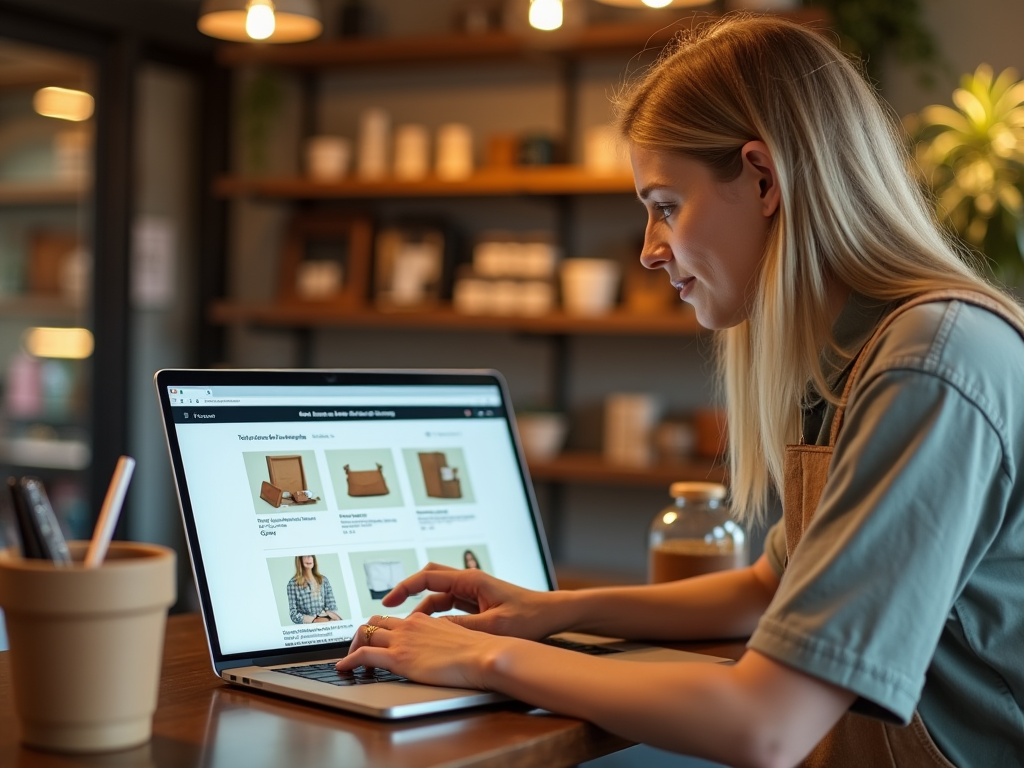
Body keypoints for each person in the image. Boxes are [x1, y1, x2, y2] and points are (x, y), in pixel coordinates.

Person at [337, 16, 1024, 767]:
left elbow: (768, 725)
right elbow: (770, 586)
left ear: (764, 179)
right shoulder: (847, 352)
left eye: (665, 205)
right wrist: (546, 612)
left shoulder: (928, 364)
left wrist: (480, 660)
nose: (648, 250)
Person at [287, 555, 342, 624]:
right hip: (308, 628)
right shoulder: (292, 584)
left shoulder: (324, 580)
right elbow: (293, 614)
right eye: (305, 556)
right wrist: (314, 620)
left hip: (328, 623)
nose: (309, 558)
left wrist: (334, 620)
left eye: (311, 556)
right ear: (299, 559)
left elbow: (332, 607)